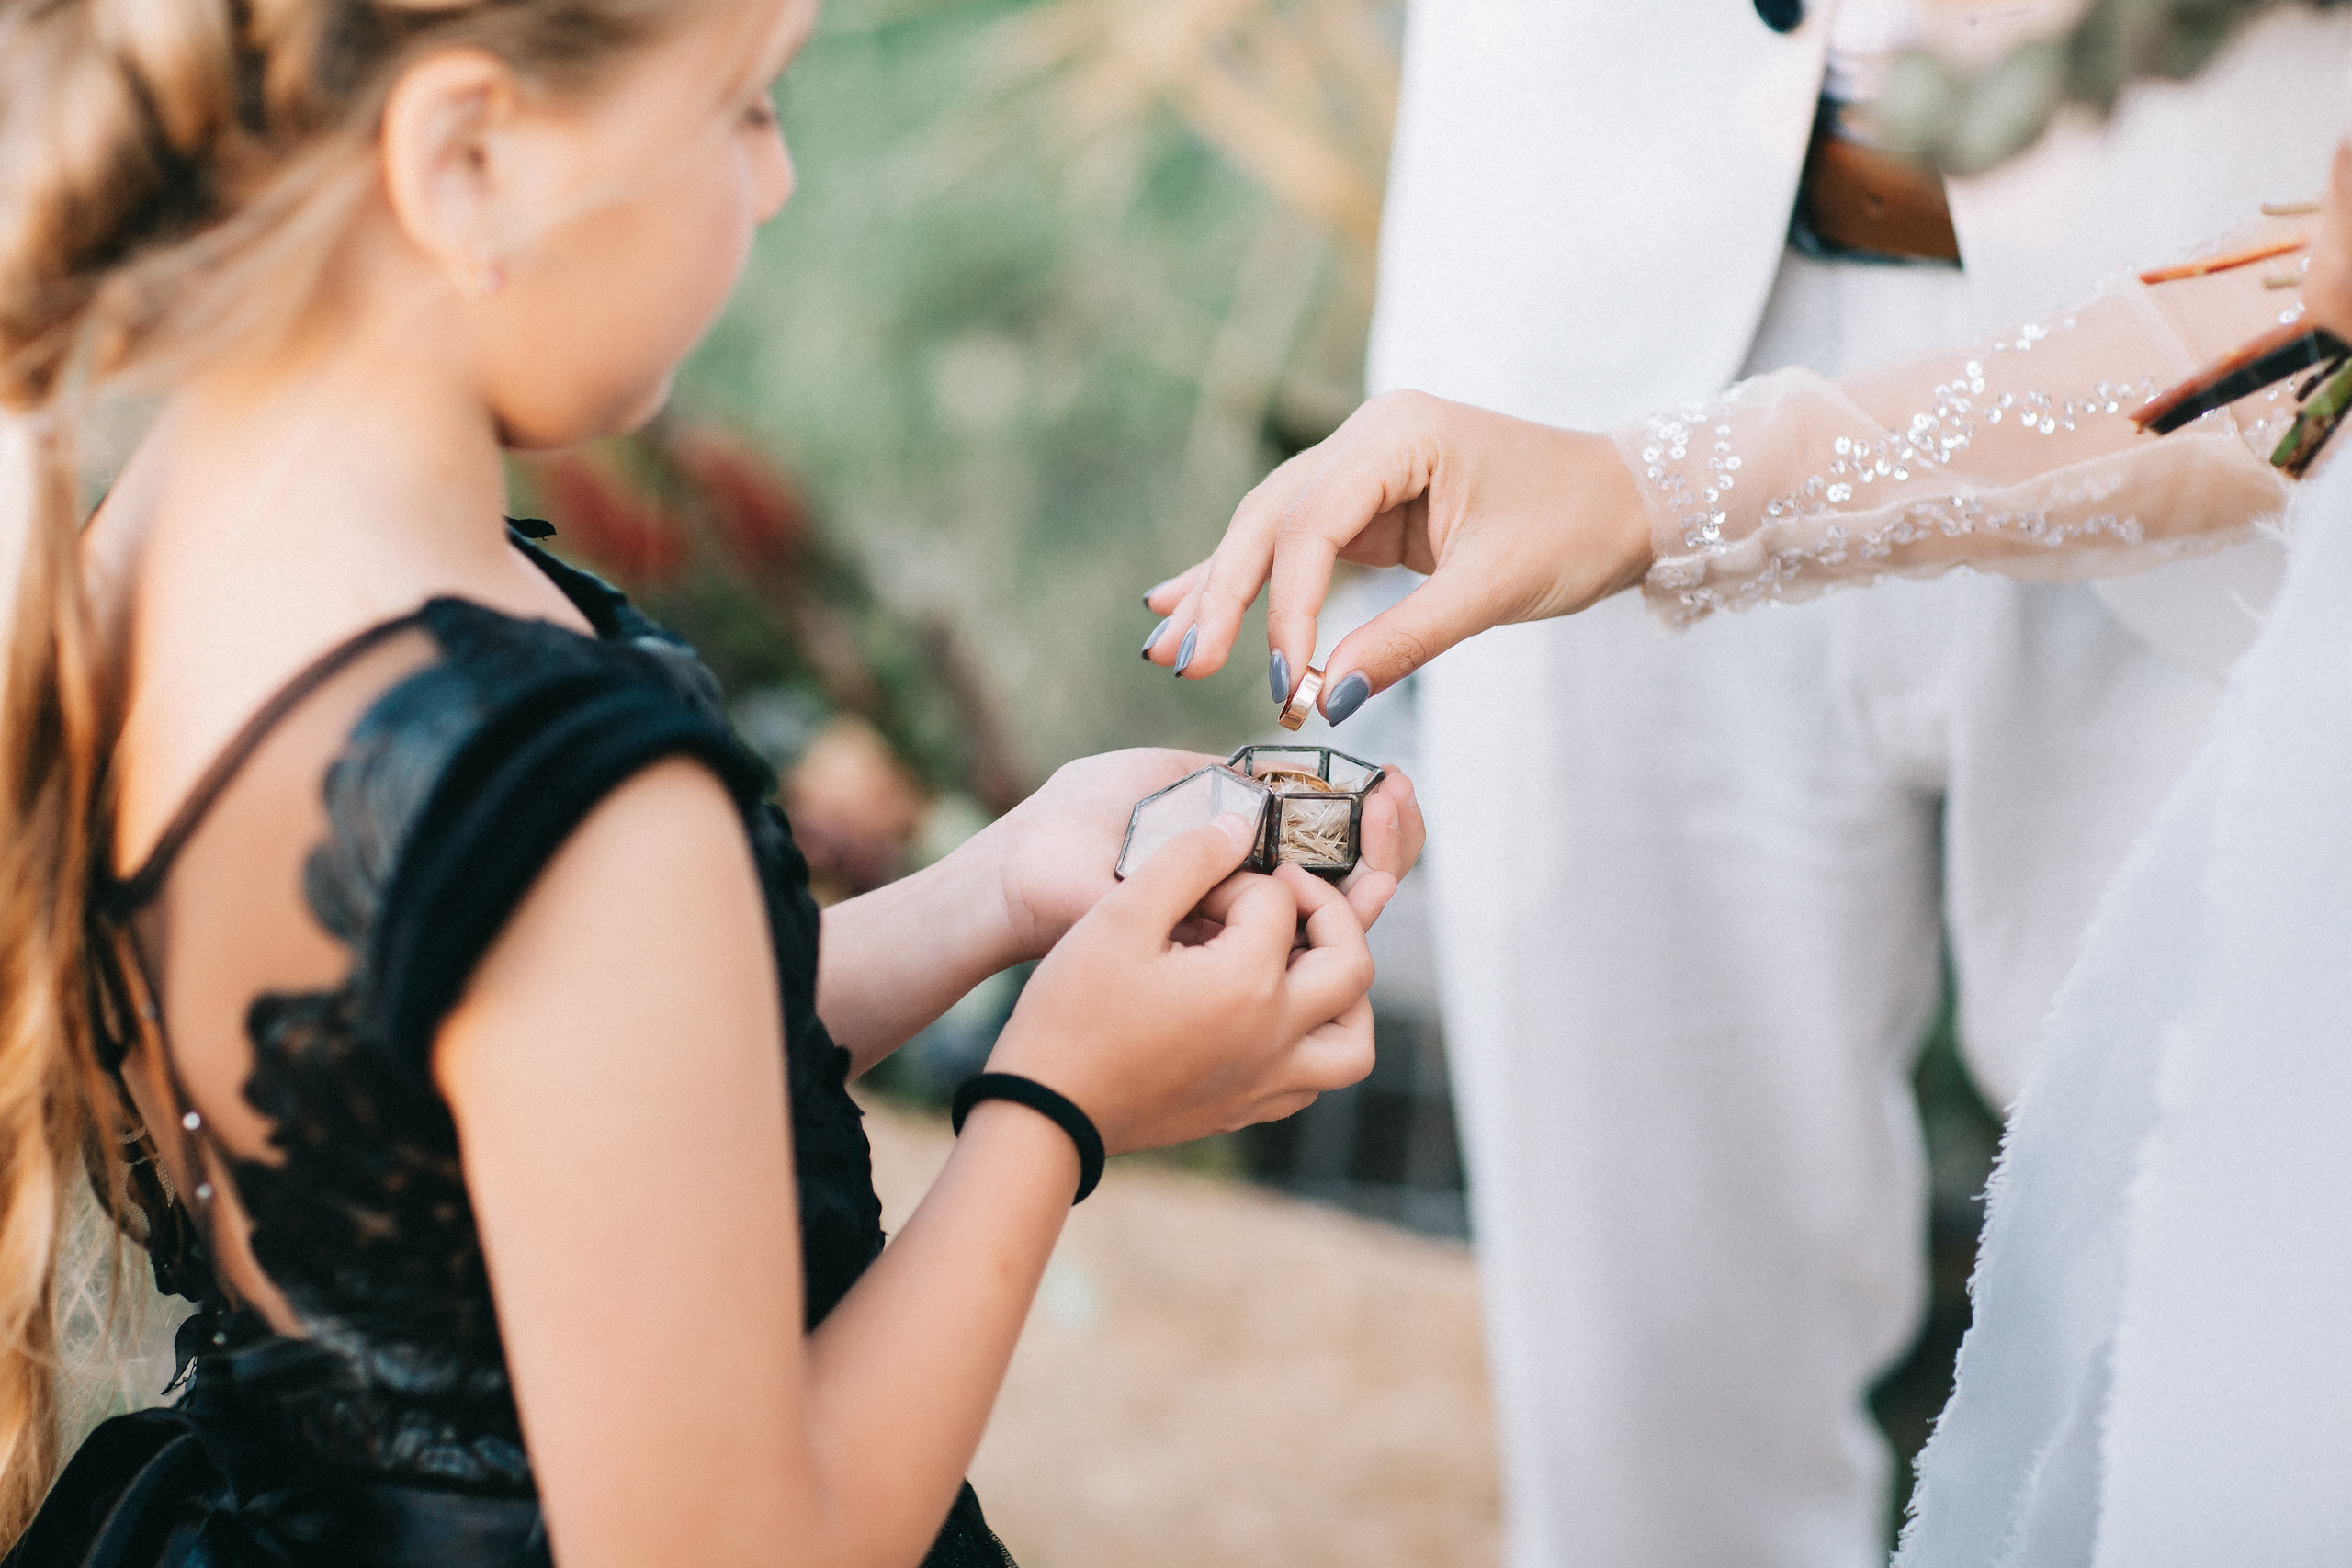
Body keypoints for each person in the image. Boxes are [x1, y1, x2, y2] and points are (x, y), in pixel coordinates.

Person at [0, 4, 1425, 1565]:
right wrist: (1054, 1107)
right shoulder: (557, 776)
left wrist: (991, 894)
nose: (778, 178)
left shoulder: (155, 547)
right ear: (465, 157)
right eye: (745, 106)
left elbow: (529, 1105)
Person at [1146, 3, 2352, 1562]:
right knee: (1649, 1431)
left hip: (2252, 331)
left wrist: (1661, 493)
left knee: (2220, 1387)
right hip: (1578, 321)